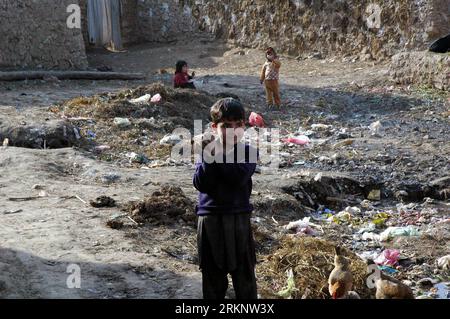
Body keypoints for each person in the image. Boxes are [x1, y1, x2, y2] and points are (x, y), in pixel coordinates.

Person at [193, 98, 258, 299]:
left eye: (238, 125)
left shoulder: (248, 152)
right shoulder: (207, 152)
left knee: (244, 275)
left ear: (244, 126)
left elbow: (237, 178)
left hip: (238, 217)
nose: (233, 131)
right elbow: (201, 183)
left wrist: (215, 151)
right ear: (214, 127)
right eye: (226, 126)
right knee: (212, 276)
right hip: (210, 217)